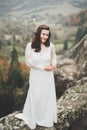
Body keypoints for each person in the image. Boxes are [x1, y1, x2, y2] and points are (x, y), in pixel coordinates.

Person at [15, 25, 57, 129]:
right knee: (36, 95)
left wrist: (53, 65)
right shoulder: (30, 46)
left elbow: (54, 56)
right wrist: (42, 68)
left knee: (46, 96)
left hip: (48, 75)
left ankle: (45, 117)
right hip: (36, 75)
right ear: (38, 34)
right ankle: (34, 117)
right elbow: (28, 62)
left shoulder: (51, 46)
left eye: (47, 35)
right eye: (43, 34)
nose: (45, 37)